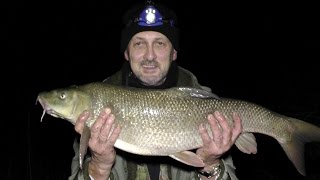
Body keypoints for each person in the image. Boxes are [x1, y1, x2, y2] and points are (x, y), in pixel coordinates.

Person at [68, 1, 242, 180]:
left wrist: (210, 165)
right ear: (126, 53)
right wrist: (99, 167)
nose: (149, 56)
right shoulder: (97, 107)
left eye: (159, 43)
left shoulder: (209, 106)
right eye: (139, 44)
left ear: (174, 52)